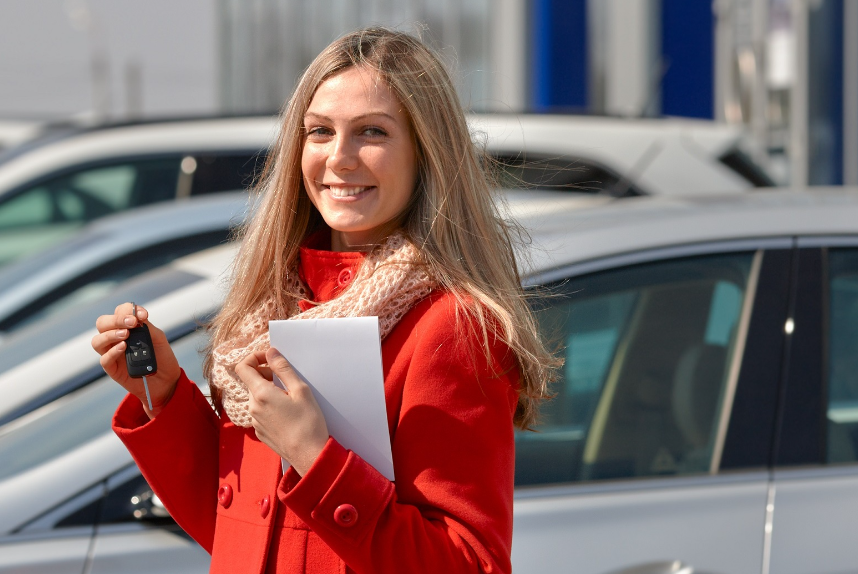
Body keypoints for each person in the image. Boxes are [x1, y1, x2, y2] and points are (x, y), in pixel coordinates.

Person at [91, 27, 558, 574]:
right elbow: (242, 539)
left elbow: (469, 565)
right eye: (319, 132)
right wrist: (165, 396)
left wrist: (315, 457)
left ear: (427, 152)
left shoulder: (451, 325)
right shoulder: (270, 306)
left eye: (371, 132)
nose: (339, 158)